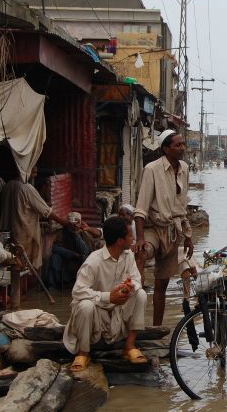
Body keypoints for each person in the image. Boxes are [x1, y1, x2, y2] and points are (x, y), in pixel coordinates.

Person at [63, 216, 147, 372]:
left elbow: (136, 279)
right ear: (120, 241)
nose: (133, 238)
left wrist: (129, 287)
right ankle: (83, 352)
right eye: (130, 235)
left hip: (116, 312)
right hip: (96, 313)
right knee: (85, 305)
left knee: (140, 294)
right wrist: (108, 297)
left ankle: (129, 346)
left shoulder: (127, 256)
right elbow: (77, 292)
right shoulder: (93, 261)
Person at [134, 130, 193, 326]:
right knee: (142, 253)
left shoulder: (184, 168)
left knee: (162, 284)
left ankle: (156, 328)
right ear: (166, 149)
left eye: (183, 144)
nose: (183, 148)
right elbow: (141, 208)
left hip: (173, 231)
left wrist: (188, 236)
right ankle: (135, 297)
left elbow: (182, 206)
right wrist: (140, 238)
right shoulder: (152, 169)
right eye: (178, 145)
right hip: (153, 228)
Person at [0, 166, 70, 269]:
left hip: (8, 235)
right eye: (32, 165)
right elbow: (47, 212)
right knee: (23, 267)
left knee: (11, 265)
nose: (35, 168)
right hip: (23, 237)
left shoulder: (8, 186)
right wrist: (66, 223)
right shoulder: (27, 188)